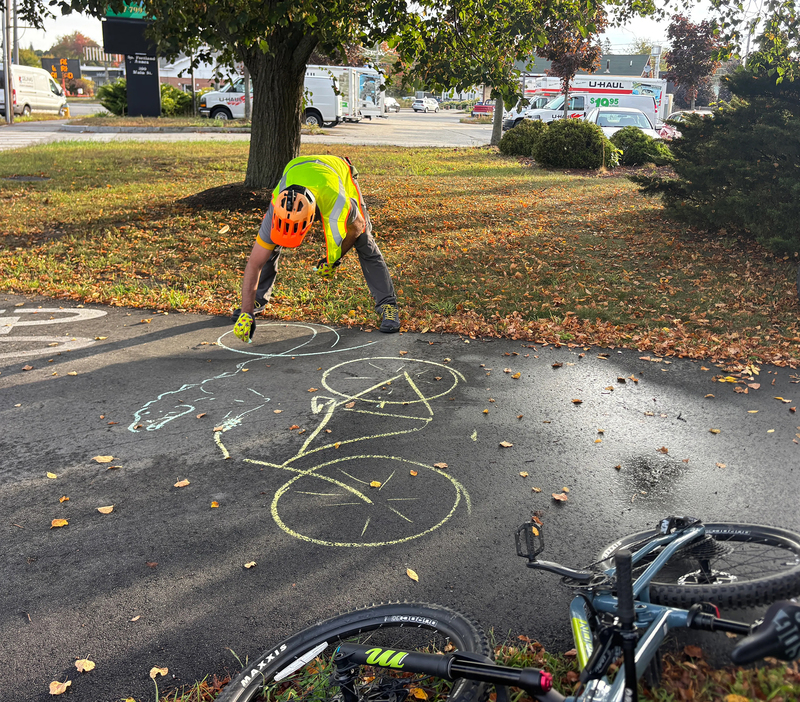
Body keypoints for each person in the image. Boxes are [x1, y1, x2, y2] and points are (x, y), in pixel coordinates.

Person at [233, 155, 400, 342]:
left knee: (365, 241)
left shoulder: (338, 203)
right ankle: (258, 300)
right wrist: (246, 312)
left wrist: (333, 260)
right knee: (270, 245)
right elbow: (254, 264)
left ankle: (388, 305)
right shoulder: (277, 205)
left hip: (337, 174)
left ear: (313, 217)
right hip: (301, 169)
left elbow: (357, 227)